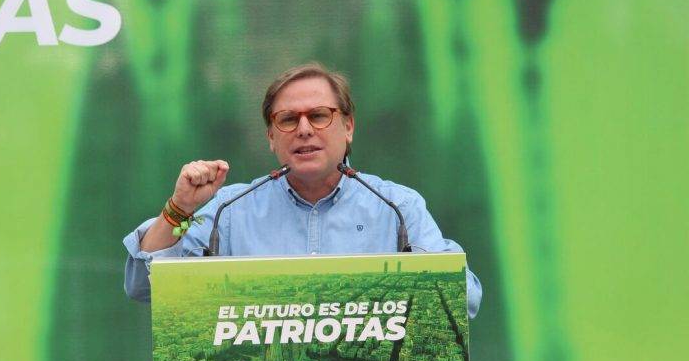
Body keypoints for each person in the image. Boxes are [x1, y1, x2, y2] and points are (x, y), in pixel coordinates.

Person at [123, 63, 482, 317]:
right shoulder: (229, 211)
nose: (305, 130)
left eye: (319, 115)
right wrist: (179, 209)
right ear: (271, 137)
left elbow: (465, 299)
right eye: (288, 119)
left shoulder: (396, 207)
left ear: (348, 126)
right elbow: (144, 287)